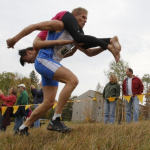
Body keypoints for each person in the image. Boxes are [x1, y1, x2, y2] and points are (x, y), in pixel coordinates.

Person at [6, 7, 121, 62]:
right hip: (70, 34)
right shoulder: (48, 53)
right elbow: (88, 52)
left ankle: (110, 43)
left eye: (27, 59)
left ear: (29, 52)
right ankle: (110, 41)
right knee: (83, 43)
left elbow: (33, 26)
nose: (30, 62)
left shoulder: (39, 42)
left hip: (63, 16)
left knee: (78, 38)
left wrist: (15, 39)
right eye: (83, 18)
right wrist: (102, 47)